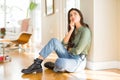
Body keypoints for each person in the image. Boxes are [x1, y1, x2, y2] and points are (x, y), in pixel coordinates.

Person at [21, 8, 92, 74]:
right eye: (70, 15)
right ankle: (37, 64)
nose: (72, 16)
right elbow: (63, 44)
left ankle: (58, 66)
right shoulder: (73, 30)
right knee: (54, 41)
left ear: (80, 16)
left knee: (60, 62)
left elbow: (78, 51)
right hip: (69, 56)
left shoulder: (85, 30)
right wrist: (71, 30)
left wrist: (69, 49)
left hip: (78, 60)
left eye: (75, 14)